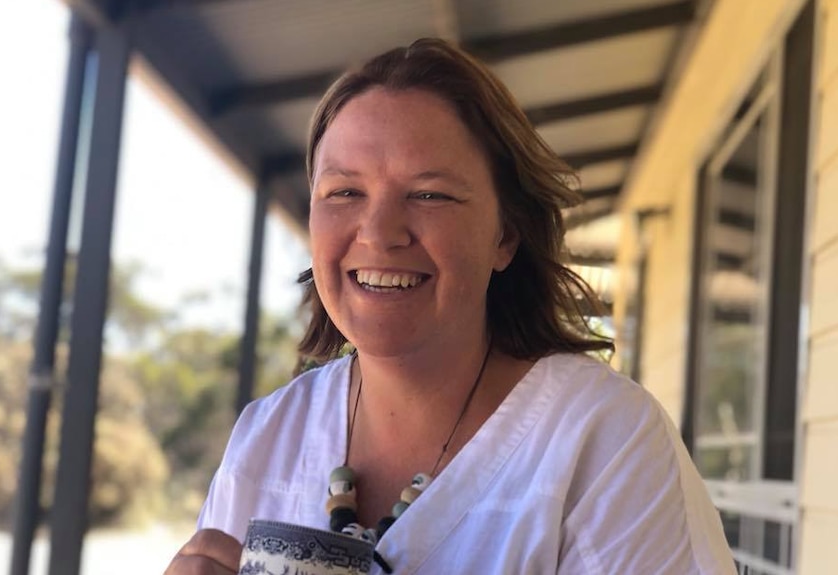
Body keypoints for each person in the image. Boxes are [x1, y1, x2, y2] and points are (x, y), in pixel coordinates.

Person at [165, 38, 735, 574]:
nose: (380, 233)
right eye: (344, 193)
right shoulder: (268, 433)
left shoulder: (602, 439)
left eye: (430, 194)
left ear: (505, 236)